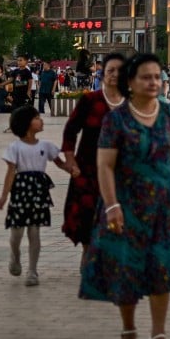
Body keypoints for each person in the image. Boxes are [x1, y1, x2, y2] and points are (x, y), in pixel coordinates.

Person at [79, 53, 170, 339]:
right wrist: (112, 204)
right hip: (126, 206)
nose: (153, 82)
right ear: (130, 82)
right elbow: (104, 164)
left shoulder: (169, 114)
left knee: (162, 267)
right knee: (127, 269)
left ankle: (158, 336)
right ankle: (128, 328)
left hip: (163, 207)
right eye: (146, 77)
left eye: (157, 76)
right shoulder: (117, 119)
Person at [0, 105, 76, 286]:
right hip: (20, 192)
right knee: (16, 234)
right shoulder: (14, 147)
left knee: (34, 232)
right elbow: (10, 172)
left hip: (39, 192)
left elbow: (60, 163)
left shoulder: (46, 146)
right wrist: (4, 196)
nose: (41, 121)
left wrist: (72, 169)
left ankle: (32, 270)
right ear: (26, 124)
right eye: (37, 118)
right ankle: (15, 256)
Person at [61, 53, 127, 250]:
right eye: (110, 70)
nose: (115, 74)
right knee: (86, 211)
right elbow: (71, 129)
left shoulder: (131, 103)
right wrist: (70, 160)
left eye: (120, 71)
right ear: (102, 73)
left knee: (117, 209)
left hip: (121, 169)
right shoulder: (90, 100)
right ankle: (88, 251)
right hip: (88, 166)